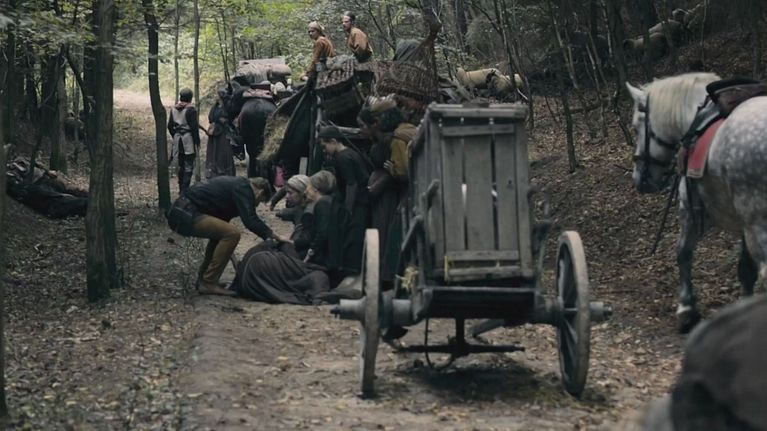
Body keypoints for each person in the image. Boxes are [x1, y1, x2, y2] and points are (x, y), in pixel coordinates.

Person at [166, 176, 291, 296]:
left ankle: (204, 280)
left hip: (181, 212)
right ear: (260, 192)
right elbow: (250, 220)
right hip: (184, 213)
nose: (256, 205)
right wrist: (274, 236)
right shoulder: (244, 188)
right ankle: (209, 281)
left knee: (222, 235)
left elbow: (223, 238)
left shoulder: (235, 189)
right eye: (260, 201)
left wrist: (234, 260)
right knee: (233, 233)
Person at [318, 125, 370, 276]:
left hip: (358, 201)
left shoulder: (342, 158)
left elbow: (351, 184)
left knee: (353, 235)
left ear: (333, 141)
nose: (324, 150)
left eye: (324, 146)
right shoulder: (350, 153)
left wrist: (348, 209)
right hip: (361, 199)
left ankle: (352, 270)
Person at [167, 88, 200, 194]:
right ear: (190, 98)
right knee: (189, 165)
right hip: (188, 140)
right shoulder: (191, 110)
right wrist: (197, 142)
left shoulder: (174, 109)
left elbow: (170, 126)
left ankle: (181, 188)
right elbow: (194, 128)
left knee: (181, 164)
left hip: (178, 140)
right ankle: (185, 190)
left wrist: (175, 135)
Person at [205, 88, 236, 178]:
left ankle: (224, 171)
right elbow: (211, 118)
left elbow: (229, 119)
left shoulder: (227, 107)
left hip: (223, 133)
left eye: (217, 95)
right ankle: (214, 171)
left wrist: (223, 121)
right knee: (214, 152)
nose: (215, 96)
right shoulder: (215, 107)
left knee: (223, 152)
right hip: (215, 133)